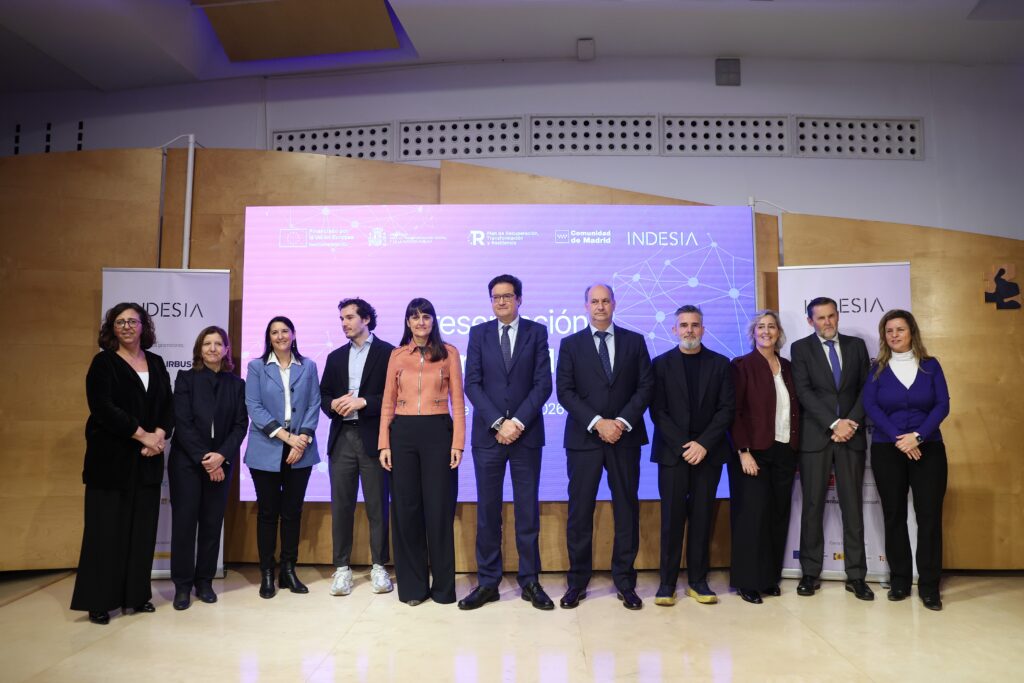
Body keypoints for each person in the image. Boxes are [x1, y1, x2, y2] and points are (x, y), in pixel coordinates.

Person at [71, 303, 173, 625]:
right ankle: (99, 601)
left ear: (144, 326)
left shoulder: (156, 362)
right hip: (110, 462)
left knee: (142, 531)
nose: (127, 326)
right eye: (120, 322)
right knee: (105, 533)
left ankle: (137, 596)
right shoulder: (103, 363)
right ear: (112, 328)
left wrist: (159, 436)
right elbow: (102, 407)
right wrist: (143, 436)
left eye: (132, 321)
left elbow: (167, 405)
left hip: (147, 461)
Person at [459, 275, 554, 611]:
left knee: (527, 512)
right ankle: (488, 582)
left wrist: (518, 422)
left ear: (519, 299)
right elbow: (472, 384)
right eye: (495, 297)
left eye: (507, 296)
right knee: (488, 512)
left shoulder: (536, 332)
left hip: (526, 436)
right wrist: (500, 422)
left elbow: (543, 384)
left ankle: (530, 581)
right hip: (489, 436)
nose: (501, 301)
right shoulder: (479, 333)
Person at [556, 284, 653, 610]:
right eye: (594, 301)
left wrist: (620, 422)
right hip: (584, 439)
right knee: (580, 512)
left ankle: (625, 581)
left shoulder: (635, 341)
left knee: (626, 509)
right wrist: (598, 422)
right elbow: (564, 391)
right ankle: (577, 582)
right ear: (586, 306)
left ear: (614, 304)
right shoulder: (570, 344)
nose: (600, 306)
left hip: (625, 438)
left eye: (605, 301)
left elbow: (645, 386)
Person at [378, 298, 466, 606]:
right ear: (407, 322)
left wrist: (457, 443)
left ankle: (443, 589)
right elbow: (388, 401)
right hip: (402, 434)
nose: (420, 322)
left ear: (433, 320)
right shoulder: (397, 355)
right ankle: (413, 589)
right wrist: (384, 443)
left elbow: (458, 402)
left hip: (438, 433)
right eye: (414, 317)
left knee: (439, 511)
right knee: (406, 511)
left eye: (425, 316)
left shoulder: (449, 353)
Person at [863, 309, 950, 611]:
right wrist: (900, 438)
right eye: (889, 331)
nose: (894, 335)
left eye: (900, 329)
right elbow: (870, 406)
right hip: (888, 449)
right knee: (894, 515)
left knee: (929, 517)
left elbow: (942, 405)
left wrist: (919, 436)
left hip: (929, 449)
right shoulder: (876, 368)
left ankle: (929, 586)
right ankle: (899, 580)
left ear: (912, 331)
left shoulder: (931, 365)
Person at [650, 305, 734, 607]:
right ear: (674, 330)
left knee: (702, 519)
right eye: (684, 325)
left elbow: (726, 409)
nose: (689, 330)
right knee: (671, 520)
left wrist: (703, 444)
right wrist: (684, 445)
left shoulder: (721, 364)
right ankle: (667, 584)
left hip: (708, 455)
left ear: (703, 329)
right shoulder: (660, 365)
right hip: (673, 455)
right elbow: (657, 411)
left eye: (695, 325)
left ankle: (698, 582)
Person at [790, 297, 873, 600]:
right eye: (820, 318)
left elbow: (867, 388)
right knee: (813, 506)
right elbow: (804, 392)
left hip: (851, 436)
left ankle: (857, 576)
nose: (827, 322)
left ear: (838, 316)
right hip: (816, 438)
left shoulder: (856, 346)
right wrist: (834, 423)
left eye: (831, 316)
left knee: (852, 507)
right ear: (810, 321)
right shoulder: (800, 349)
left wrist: (849, 423)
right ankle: (809, 573)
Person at [319, 298, 395, 597]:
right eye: (341, 318)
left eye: (350, 317)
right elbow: (324, 395)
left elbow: (393, 396)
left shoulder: (388, 352)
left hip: (374, 439)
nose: (344, 323)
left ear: (366, 319)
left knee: (378, 506)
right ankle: (341, 569)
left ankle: (379, 566)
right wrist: (333, 405)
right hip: (342, 438)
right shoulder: (336, 356)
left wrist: (364, 402)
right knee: (341, 507)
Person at [169, 326, 248, 611]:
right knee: (184, 524)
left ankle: (204, 582)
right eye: (207, 343)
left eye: (218, 344)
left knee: (212, 524)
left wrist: (221, 456)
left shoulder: (237, 384)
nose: (212, 348)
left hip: (221, 464)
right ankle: (182, 586)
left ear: (226, 350)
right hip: (187, 464)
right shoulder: (186, 378)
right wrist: (207, 459)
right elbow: (183, 422)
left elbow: (240, 425)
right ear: (199, 349)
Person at [244, 316, 321, 599]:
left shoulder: (308, 366)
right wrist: (287, 438)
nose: (280, 336)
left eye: (284, 331)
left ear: (293, 334)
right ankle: (267, 572)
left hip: (301, 447)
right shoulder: (256, 367)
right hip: (266, 447)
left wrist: (302, 440)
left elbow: (314, 403)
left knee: (292, 512)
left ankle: (288, 570)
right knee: (268, 512)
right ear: (269, 337)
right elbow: (254, 406)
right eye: (274, 332)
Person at [728, 310, 800, 604]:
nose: (766, 331)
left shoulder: (788, 367)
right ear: (753, 333)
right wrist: (743, 451)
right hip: (753, 452)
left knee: (777, 515)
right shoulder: (741, 365)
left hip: (784, 450)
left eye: (771, 326)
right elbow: (734, 412)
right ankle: (747, 581)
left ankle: (769, 578)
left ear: (778, 332)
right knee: (752, 517)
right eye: (761, 327)